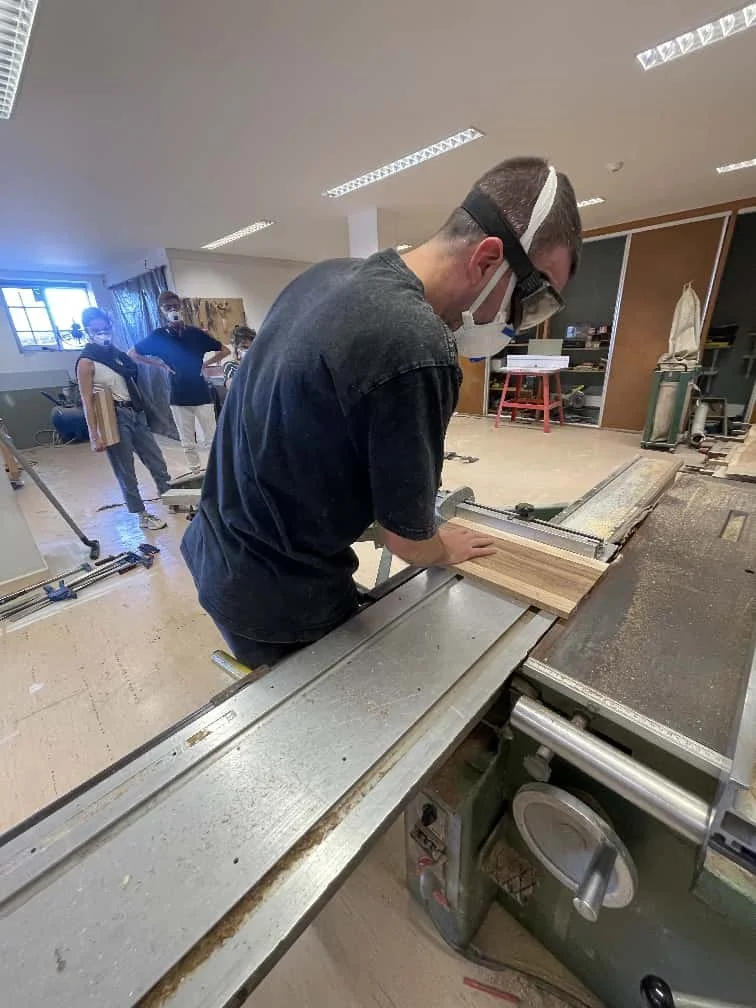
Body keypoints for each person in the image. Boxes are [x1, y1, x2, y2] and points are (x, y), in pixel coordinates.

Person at [181, 156, 582, 669]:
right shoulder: (417, 343)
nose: (517, 324)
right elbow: (408, 542)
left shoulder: (328, 275)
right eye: (531, 300)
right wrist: (442, 546)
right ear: (486, 260)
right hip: (279, 595)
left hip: (218, 547)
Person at [77, 307, 171, 531]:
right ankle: (141, 514)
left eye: (105, 328)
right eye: (96, 330)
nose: (103, 333)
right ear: (88, 331)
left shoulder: (119, 357)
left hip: (135, 412)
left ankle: (171, 497)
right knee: (125, 469)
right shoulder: (87, 362)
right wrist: (94, 434)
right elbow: (87, 400)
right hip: (114, 416)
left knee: (156, 459)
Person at [130, 291, 229, 474]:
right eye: (168, 307)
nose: (173, 310)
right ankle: (195, 472)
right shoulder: (158, 337)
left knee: (212, 439)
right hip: (178, 397)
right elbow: (133, 354)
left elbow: (225, 350)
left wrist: (206, 364)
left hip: (202, 394)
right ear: (161, 310)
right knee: (187, 442)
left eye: (175, 306)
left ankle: (218, 473)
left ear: (180, 307)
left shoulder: (195, 334)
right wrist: (159, 364)